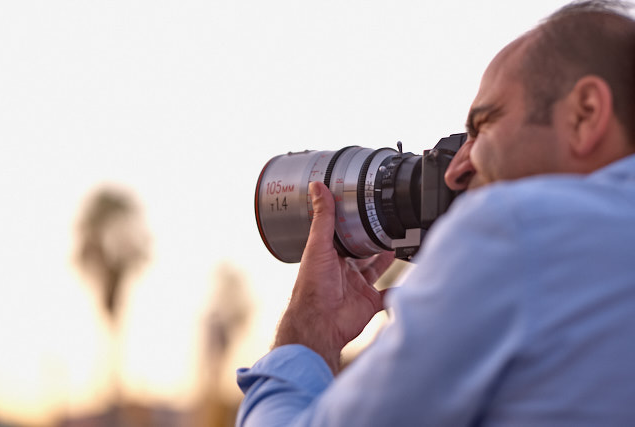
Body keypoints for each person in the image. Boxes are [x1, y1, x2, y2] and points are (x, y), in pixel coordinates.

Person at [236, 1, 635, 425]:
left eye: (483, 127)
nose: (457, 169)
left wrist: (308, 335)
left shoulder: (516, 230)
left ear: (586, 113)